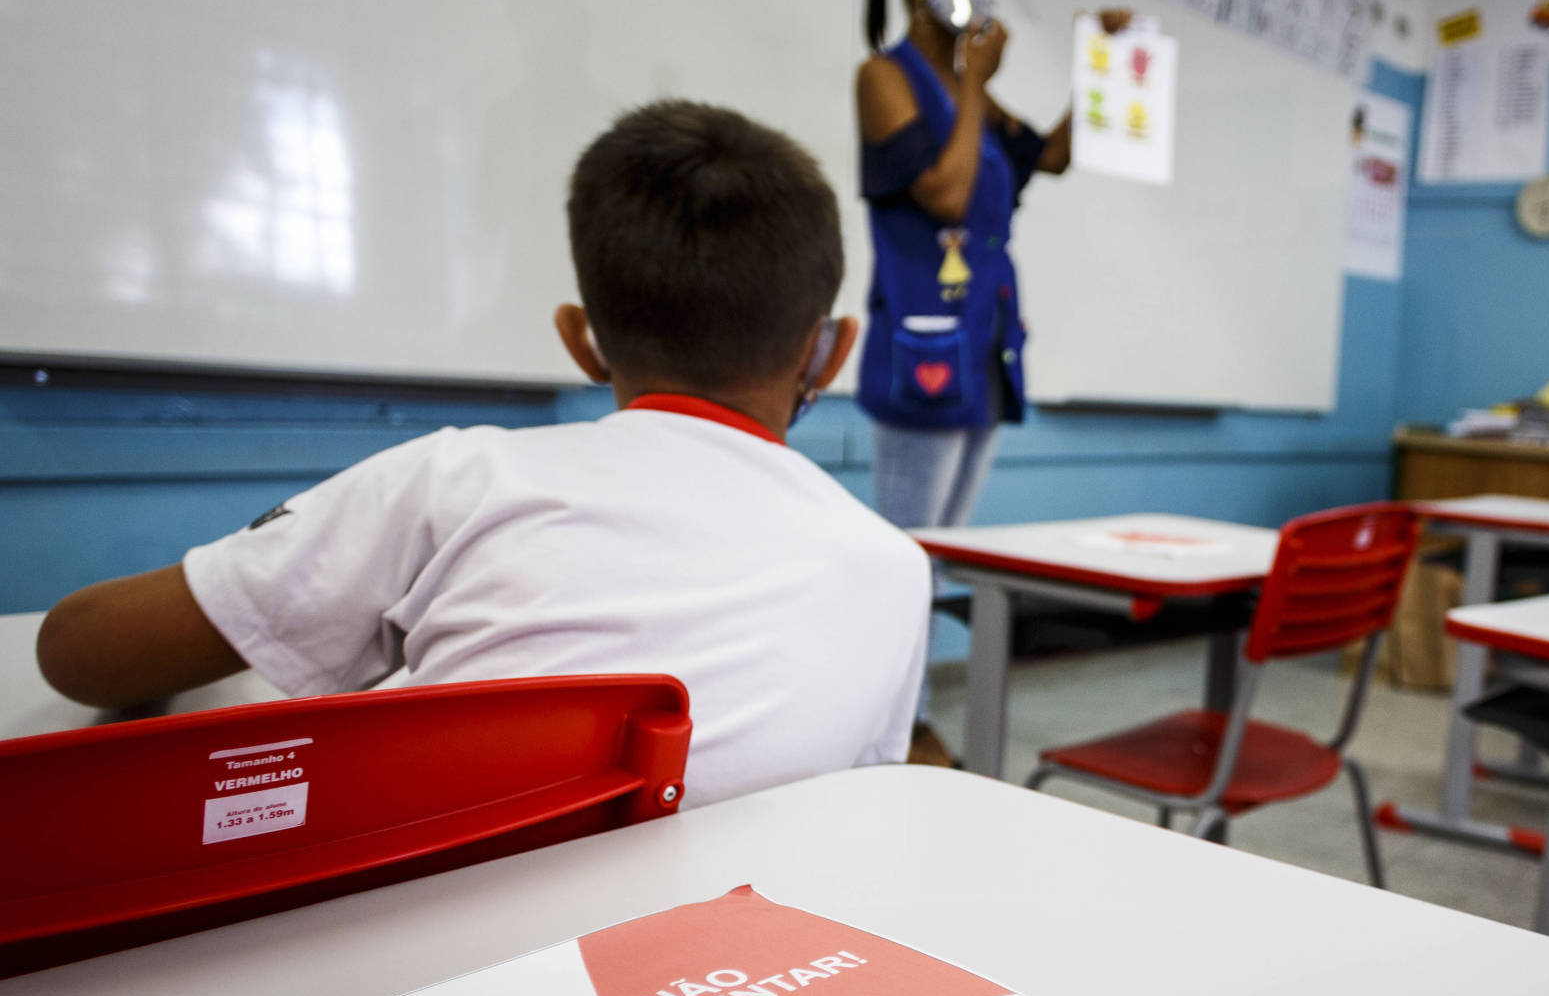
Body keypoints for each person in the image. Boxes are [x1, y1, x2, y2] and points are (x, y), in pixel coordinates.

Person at [36, 101, 931, 807]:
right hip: (731, 985)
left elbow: (79, 653)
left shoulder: (463, 479)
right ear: (834, 349)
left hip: (401, 976)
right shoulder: (896, 570)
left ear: (581, 341)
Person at [853, 0, 1128, 762]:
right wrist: (972, 81)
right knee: (909, 556)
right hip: (923, 343)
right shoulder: (887, 77)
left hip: (984, 341)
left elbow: (1045, 157)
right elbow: (943, 190)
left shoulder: (969, 86)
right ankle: (888, 727)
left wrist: (1099, 69)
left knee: (947, 549)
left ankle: (912, 714)